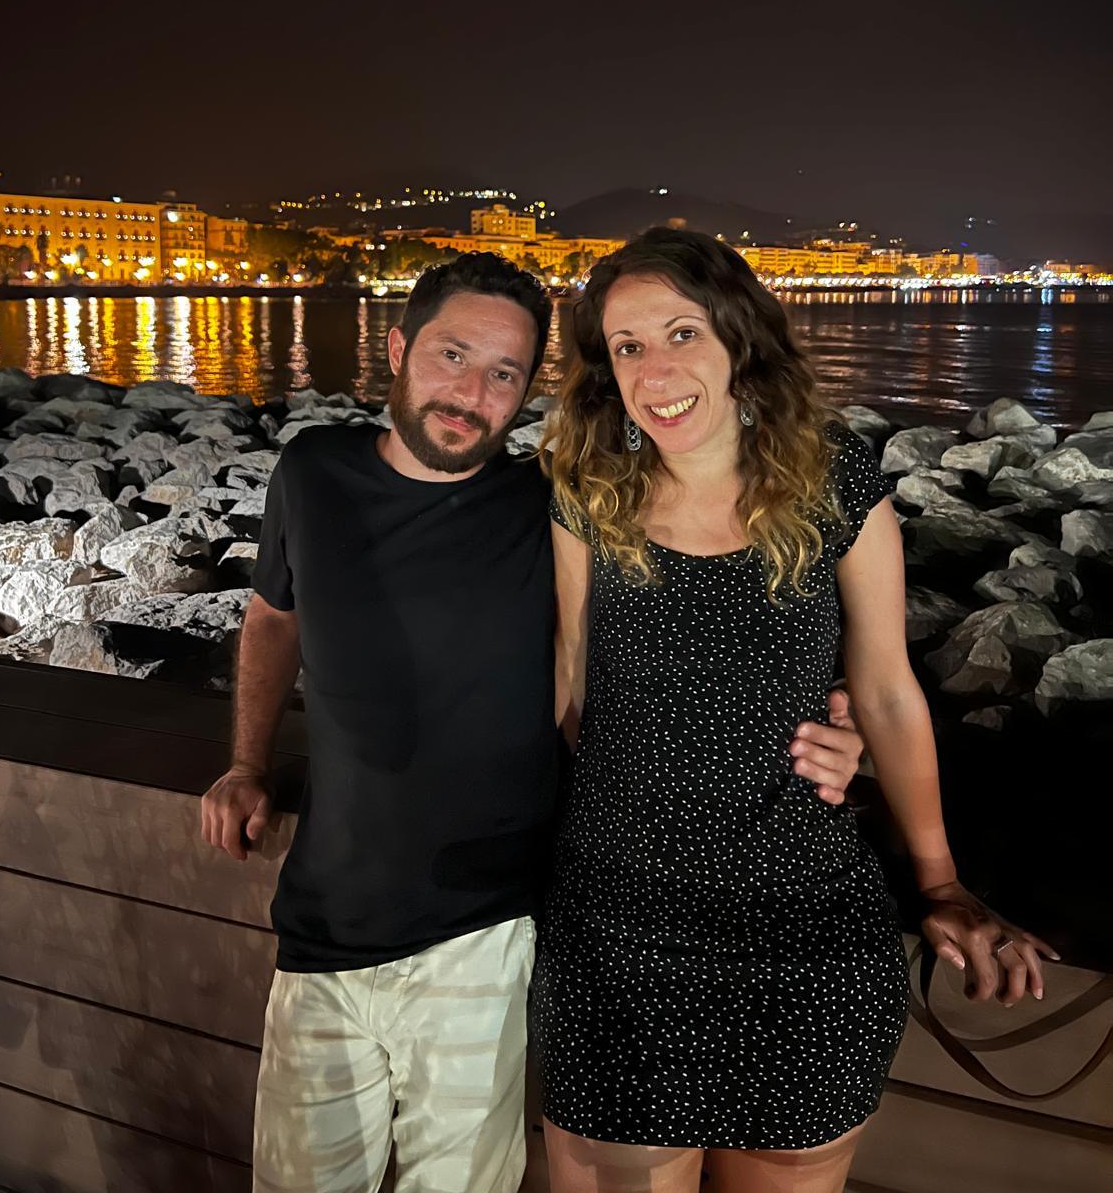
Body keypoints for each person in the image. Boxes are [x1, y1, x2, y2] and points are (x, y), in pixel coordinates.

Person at [199, 251, 867, 1193]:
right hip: (323, 930)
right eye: (451, 356)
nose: (471, 393)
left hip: (487, 928)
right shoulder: (312, 472)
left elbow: (688, 637)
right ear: (397, 349)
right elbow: (273, 614)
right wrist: (244, 761)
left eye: (504, 374)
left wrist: (832, 729)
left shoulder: (554, 508)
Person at [534, 226, 1059, 1193]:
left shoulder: (832, 485)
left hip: (806, 924)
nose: (657, 370)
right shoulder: (587, 491)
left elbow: (889, 687)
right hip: (618, 928)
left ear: (738, 339)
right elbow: (565, 684)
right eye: (628, 346)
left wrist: (938, 879)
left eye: (682, 333)